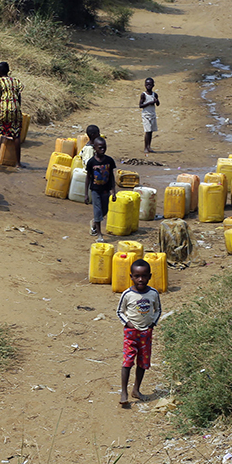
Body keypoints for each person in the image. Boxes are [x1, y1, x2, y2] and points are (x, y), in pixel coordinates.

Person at [117, 258, 161, 407]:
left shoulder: (153, 293)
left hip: (146, 334)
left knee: (142, 362)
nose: (140, 279)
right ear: (131, 277)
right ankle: (124, 391)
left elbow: (158, 310)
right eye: (137, 276)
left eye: (144, 276)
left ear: (150, 276)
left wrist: (152, 323)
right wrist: (127, 323)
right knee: (128, 362)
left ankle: (136, 389)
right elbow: (119, 311)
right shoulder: (127, 294)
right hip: (131, 333)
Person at [0, 61, 24, 166]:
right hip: (15, 108)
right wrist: (18, 109)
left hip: (3, 108)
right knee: (16, 135)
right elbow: (19, 98)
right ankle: (18, 162)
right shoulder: (16, 81)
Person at [85, 136, 117, 239]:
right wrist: (86, 194)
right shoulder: (91, 162)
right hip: (95, 190)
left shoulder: (109, 161)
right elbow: (88, 178)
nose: (102, 149)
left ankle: (94, 222)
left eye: (104, 147)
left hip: (106, 190)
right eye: (100, 147)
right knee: (97, 211)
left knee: (105, 210)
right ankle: (99, 235)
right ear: (94, 148)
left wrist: (113, 191)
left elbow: (111, 176)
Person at [139, 77, 160, 155]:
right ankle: (145, 147)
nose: (148, 86)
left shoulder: (155, 94)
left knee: (151, 131)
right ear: (145, 85)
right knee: (147, 131)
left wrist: (156, 101)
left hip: (152, 114)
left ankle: (149, 146)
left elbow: (158, 104)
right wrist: (149, 103)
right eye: (147, 84)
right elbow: (140, 105)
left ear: (153, 85)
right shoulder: (143, 95)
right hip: (146, 115)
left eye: (150, 84)